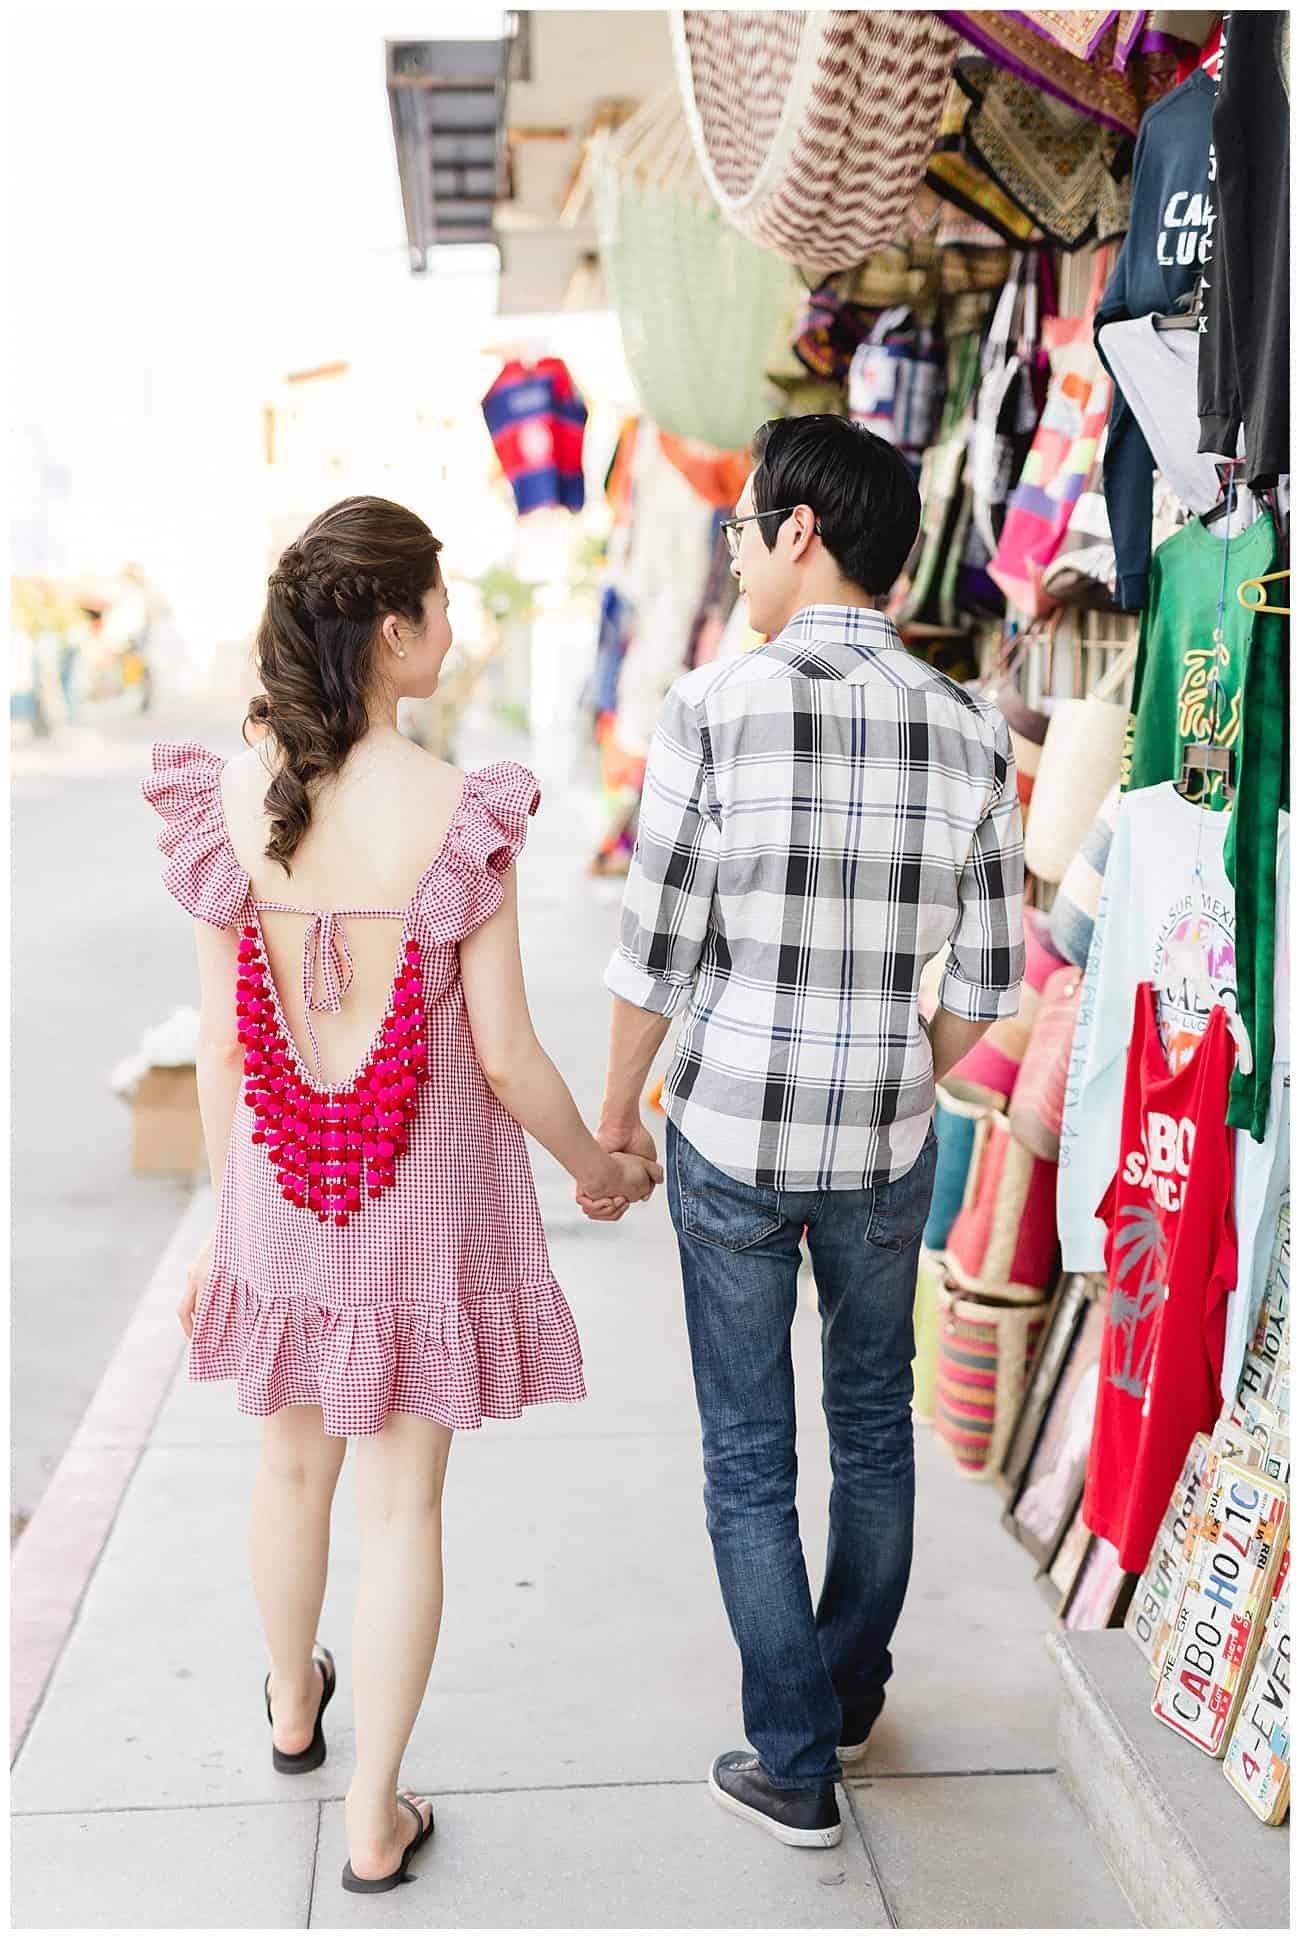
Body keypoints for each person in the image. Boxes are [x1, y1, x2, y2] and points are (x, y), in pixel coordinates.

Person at [142, 496, 660, 1895]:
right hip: (419, 1222)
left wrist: (218, 1229)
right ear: (393, 628)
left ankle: (294, 1709)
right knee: (401, 1512)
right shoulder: (458, 812)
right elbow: (506, 1054)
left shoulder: (230, 805)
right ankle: (376, 1814)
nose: (456, 628)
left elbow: (222, 1051)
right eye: (441, 604)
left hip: (278, 1202)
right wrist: (601, 1169)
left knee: (288, 1469)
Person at [592, 416, 1026, 1848]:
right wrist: (896, 1065)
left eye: (742, 528)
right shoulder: (970, 725)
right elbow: (980, 998)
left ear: (796, 532)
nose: (733, 556)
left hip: (728, 1132)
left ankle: (793, 1759)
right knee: (874, 1430)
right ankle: (842, 1695)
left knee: (746, 1455)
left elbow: (656, 952)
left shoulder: (713, 708)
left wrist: (612, 1120)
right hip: (885, 1147)